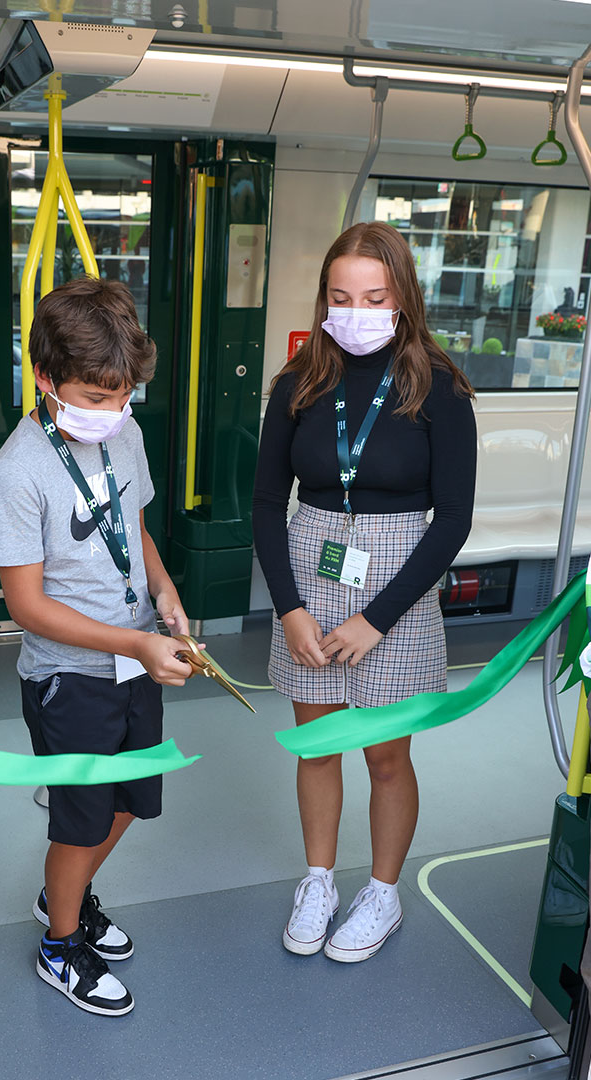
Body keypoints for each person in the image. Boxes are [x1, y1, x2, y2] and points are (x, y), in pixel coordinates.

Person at [252, 221, 476, 964]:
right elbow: (264, 508)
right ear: (324, 297)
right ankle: (317, 880)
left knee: (384, 757)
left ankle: (382, 891)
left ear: (403, 298)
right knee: (318, 748)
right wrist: (289, 609)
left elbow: (452, 524)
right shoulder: (297, 383)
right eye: (342, 296)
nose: (356, 311)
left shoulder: (439, 388)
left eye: (374, 297)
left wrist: (377, 620)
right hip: (311, 577)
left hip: (400, 592)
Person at [0, 276, 195, 1017]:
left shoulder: (125, 431)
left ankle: (59, 898)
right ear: (45, 378)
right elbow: (26, 604)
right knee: (78, 822)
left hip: (134, 656)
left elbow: (133, 530)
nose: (112, 413)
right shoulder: (17, 472)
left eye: (123, 396)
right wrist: (135, 641)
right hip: (68, 678)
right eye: (95, 397)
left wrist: (165, 596)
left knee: (131, 801)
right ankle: (60, 946)